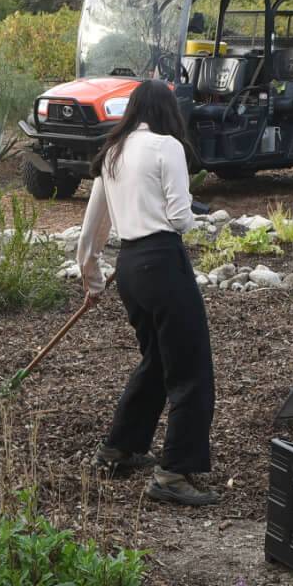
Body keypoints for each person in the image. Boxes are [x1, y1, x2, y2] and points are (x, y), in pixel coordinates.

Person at [77, 79, 218, 506]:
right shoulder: (167, 147)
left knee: (158, 361)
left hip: (131, 268)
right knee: (191, 367)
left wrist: (93, 279)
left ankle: (119, 446)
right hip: (162, 260)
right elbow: (179, 219)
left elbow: (92, 229)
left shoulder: (112, 151)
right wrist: (187, 212)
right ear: (166, 113)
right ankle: (174, 473)